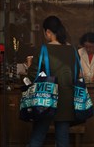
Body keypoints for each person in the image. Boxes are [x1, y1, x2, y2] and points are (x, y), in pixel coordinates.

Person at [27, 15, 76, 147]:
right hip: (66, 98)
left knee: (38, 136)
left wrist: (28, 66)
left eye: (44, 33)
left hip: (46, 98)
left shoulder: (44, 49)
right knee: (63, 138)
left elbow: (32, 75)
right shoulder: (72, 50)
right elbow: (76, 74)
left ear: (48, 32)